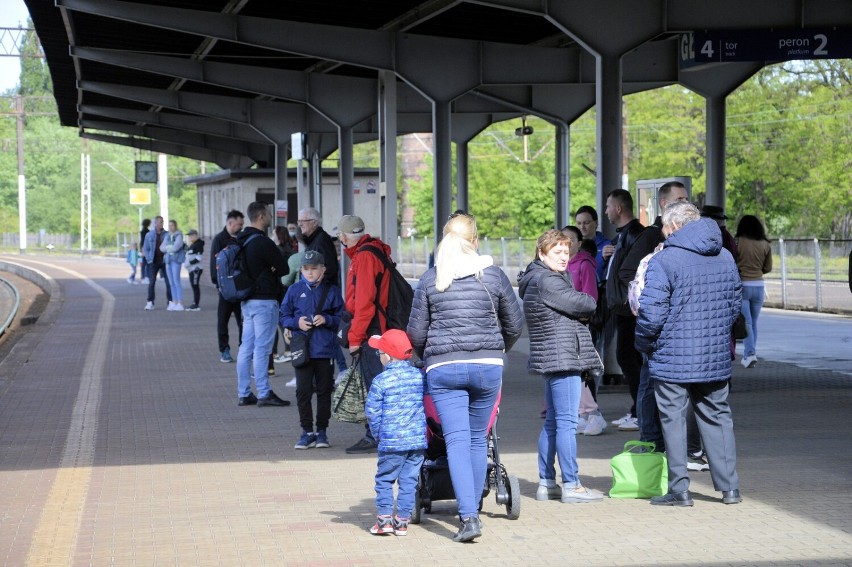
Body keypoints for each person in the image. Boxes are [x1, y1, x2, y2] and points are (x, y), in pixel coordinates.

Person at [407, 213, 523, 543]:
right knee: (477, 440)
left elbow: (415, 331)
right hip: (488, 367)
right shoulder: (494, 276)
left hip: (444, 369)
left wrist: (427, 355)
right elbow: (514, 324)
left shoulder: (431, 279)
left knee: (456, 440)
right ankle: (472, 504)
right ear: (475, 241)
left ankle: (469, 517)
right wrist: (497, 350)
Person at [635, 201, 743, 507]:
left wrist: (644, 343)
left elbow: (651, 313)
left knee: (673, 421)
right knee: (718, 418)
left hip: (672, 356)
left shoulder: (665, 260)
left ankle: (680, 490)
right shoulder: (724, 255)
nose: (664, 232)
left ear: (674, 226)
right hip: (714, 355)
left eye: (665, 227)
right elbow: (735, 305)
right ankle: (730, 488)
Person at [519, 229, 604, 505]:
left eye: (567, 252)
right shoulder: (549, 281)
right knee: (566, 423)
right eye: (557, 252)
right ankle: (572, 484)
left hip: (553, 356)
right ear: (542, 254)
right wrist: (584, 307)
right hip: (563, 356)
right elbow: (586, 302)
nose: (564, 257)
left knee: (555, 423)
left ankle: (546, 483)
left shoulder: (538, 278)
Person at [619, 181, 689, 441]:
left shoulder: (687, 238)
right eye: (679, 198)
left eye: (686, 197)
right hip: (657, 327)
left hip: (673, 329)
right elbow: (627, 272)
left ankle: (676, 444)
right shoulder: (652, 236)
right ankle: (650, 440)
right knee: (649, 384)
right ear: (663, 204)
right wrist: (645, 303)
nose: (685, 202)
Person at [336, 215, 395, 455]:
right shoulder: (373, 252)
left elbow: (364, 302)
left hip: (372, 331)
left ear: (343, 236)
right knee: (377, 383)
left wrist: (354, 338)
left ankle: (376, 435)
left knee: (374, 384)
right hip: (379, 328)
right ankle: (380, 433)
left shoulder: (365, 257)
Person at [364, 329, 426, 537]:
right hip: (417, 441)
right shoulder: (419, 377)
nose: (379, 356)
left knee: (384, 480)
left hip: (391, 441)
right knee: (409, 481)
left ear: (387, 356)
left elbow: (372, 412)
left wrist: (377, 435)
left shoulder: (381, 381)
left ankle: (384, 521)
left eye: (379, 352)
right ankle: (402, 522)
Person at [280, 250, 344, 449]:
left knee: (325, 391)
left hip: (325, 350)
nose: (309, 273)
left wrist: (327, 319)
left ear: (322, 270)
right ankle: (306, 431)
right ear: (301, 270)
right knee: (303, 391)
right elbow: (283, 316)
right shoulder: (294, 290)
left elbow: (343, 319)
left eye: (314, 269)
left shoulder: (332, 291)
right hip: (303, 350)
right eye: (305, 269)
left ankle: (322, 431)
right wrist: (296, 323)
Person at [235, 202, 291, 408]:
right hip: (265, 301)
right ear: (260, 216)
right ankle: (264, 393)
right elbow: (284, 268)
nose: (270, 217)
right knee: (262, 348)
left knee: (245, 347)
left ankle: (244, 393)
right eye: (268, 214)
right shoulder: (263, 242)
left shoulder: (241, 240)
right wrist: (272, 269)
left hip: (247, 301)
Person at [603, 189, 645, 430]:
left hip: (629, 309)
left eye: (608, 206)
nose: (606, 211)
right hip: (621, 307)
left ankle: (640, 411)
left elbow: (631, 271)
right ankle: (636, 409)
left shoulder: (634, 235)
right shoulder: (622, 237)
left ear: (619, 208)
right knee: (626, 357)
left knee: (629, 357)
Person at [562, 226, 607, 436]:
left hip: (581, 325)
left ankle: (593, 413)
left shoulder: (584, 265)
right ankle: (582, 414)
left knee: (583, 370)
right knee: (574, 371)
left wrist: (580, 316)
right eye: (564, 239)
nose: (567, 244)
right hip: (566, 326)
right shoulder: (561, 265)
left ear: (580, 243)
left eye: (572, 239)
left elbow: (590, 297)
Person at [735, 214, 772, 369]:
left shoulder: (738, 242)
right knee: (753, 322)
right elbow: (768, 268)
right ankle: (750, 354)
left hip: (743, 284)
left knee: (747, 322)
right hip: (759, 286)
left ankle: (750, 354)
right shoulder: (765, 244)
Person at [210, 210, 245, 363]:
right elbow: (214, 264)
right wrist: (218, 285)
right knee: (222, 320)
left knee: (243, 321)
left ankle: (244, 349)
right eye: (239, 224)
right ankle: (224, 350)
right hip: (225, 288)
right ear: (230, 223)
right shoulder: (219, 239)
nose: (242, 227)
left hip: (240, 288)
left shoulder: (243, 239)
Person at [298, 207, 339, 286]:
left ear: (314, 223)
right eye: (299, 221)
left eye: (303, 221)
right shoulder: (314, 240)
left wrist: (313, 286)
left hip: (322, 293)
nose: (300, 224)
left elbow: (329, 269)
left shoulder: (321, 241)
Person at [574, 205, 612, 283]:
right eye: (579, 223)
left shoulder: (607, 245)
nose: (582, 227)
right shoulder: (571, 246)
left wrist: (603, 259)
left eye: (586, 223)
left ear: (596, 223)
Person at [142, 216, 172, 310]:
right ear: (155, 223)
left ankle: (170, 302)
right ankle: (150, 302)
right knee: (152, 283)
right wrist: (149, 259)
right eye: (160, 222)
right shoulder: (149, 235)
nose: (161, 224)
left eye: (162, 222)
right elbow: (145, 249)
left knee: (168, 282)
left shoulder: (167, 234)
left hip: (165, 261)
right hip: (153, 261)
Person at [160, 220, 186, 311]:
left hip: (176, 261)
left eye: (172, 225)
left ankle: (180, 302)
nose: (170, 227)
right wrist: (169, 248)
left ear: (175, 226)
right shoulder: (167, 236)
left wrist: (168, 248)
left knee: (176, 281)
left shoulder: (178, 235)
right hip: (167, 260)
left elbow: (176, 247)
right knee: (171, 282)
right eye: (169, 225)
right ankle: (174, 302)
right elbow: (161, 248)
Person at [183, 229, 204, 311]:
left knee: (195, 286)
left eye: (191, 235)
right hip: (192, 269)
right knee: (193, 286)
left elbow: (199, 258)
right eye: (189, 236)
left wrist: (189, 263)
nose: (190, 237)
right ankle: (194, 303)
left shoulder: (198, 244)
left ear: (196, 235)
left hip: (196, 269)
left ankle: (196, 304)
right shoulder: (193, 244)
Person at [139, 218, 151, 285]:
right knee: (148, 263)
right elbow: (146, 241)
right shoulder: (147, 231)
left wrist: (141, 249)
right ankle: (146, 277)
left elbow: (141, 241)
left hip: (143, 248)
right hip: (146, 249)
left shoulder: (142, 231)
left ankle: (143, 276)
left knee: (144, 264)